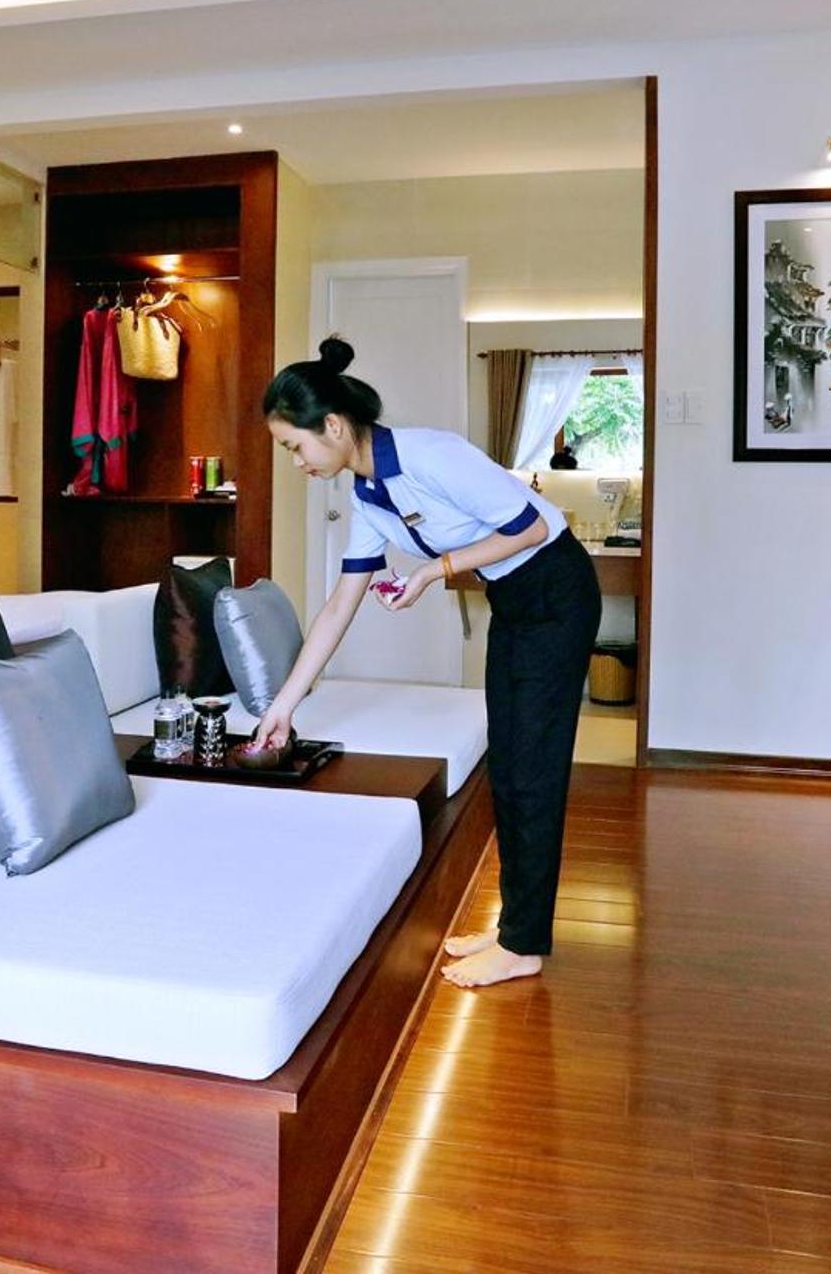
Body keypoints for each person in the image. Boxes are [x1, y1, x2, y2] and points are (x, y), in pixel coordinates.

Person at [255, 337, 602, 989]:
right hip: (515, 600)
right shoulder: (368, 497)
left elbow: (530, 529)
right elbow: (338, 605)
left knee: (533, 768)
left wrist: (432, 571)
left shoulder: (429, 454)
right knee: (509, 765)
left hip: (556, 590)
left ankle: (523, 945)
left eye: (295, 446)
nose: (297, 462)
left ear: (333, 427)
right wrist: (283, 706)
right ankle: (515, 927)